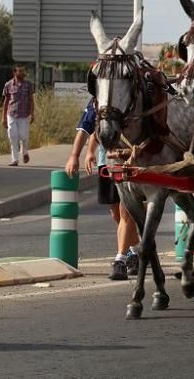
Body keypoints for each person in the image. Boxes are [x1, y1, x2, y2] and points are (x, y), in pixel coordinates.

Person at [64, 99, 142, 280]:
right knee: (115, 213)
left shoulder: (129, 97)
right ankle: (136, 249)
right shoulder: (96, 102)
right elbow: (87, 129)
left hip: (128, 161)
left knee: (126, 212)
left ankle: (121, 260)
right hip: (106, 162)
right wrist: (79, 154)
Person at [1, 65, 34, 166]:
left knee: (23, 136)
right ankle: (14, 159)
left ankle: (24, 152)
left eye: (24, 71)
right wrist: (3, 117)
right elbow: (6, 101)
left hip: (24, 115)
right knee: (13, 136)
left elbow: (31, 100)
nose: (23, 73)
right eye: (21, 71)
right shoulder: (8, 85)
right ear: (15, 72)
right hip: (11, 114)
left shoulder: (28, 85)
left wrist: (32, 113)